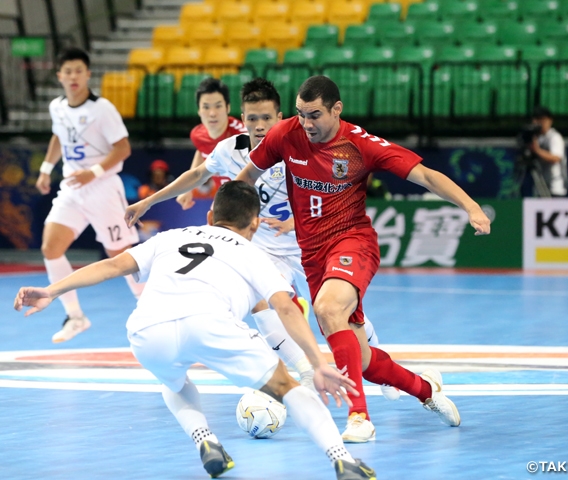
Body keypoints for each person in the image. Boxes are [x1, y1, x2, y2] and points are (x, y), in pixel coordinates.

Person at [15, 181, 375, 480]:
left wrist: (51, 290)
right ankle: (341, 459)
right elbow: (284, 307)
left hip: (147, 330)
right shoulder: (253, 253)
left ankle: (205, 439)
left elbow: (111, 265)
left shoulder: (170, 237)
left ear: (209, 217)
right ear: (253, 226)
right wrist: (316, 363)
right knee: (287, 387)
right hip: (209, 323)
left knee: (172, 381)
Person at [236, 75, 491, 443]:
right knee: (359, 355)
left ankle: (359, 418)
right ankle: (425, 390)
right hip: (313, 255)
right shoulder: (286, 134)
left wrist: (471, 206)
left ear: (337, 110)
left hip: (352, 242)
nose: (306, 124)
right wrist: (230, 220)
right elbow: (248, 176)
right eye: (300, 114)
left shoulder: (359, 145)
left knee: (326, 308)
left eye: (315, 115)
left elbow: (426, 177)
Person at [124, 79, 394, 401]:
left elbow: (327, 195)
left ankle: (382, 372)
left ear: (280, 117)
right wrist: (149, 201)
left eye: (267, 118)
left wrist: (296, 222)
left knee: (345, 316)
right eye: (252, 118)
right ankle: (307, 372)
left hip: (310, 246)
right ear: (243, 118)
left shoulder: (298, 146)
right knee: (261, 303)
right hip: (264, 250)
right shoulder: (229, 150)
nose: (260, 125)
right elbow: (196, 176)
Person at [35, 47, 144, 343]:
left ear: (87, 75)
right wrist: (46, 168)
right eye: (67, 71)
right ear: (59, 76)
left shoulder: (102, 108)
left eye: (78, 71)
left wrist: (92, 173)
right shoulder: (57, 106)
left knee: (120, 257)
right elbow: (59, 136)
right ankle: (75, 316)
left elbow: (123, 148)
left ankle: (150, 311)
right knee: (51, 248)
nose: (73, 77)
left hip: (103, 188)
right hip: (72, 188)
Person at [176, 77, 247, 210]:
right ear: (199, 110)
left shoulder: (244, 136)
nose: (212, 113)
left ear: (228, 107)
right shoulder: (197, 135)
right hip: (225, 200)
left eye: (218, 106)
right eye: (206, 107)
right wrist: (188, 188)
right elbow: (201, 151)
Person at [530, 106, 568, 197]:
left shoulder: (554, 137)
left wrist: (537, 151)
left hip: (555, 187)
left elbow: (556, 158)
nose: (539, 123)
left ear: (549, 120)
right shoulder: (537, 137)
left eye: (542, 120)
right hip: (540, 186)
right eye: (537, 119)